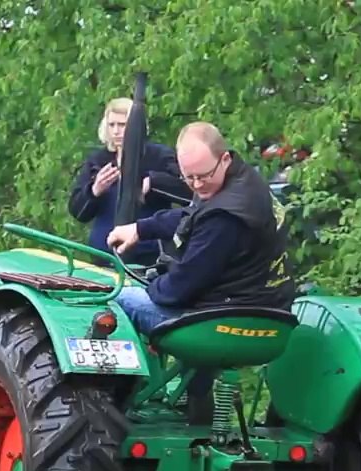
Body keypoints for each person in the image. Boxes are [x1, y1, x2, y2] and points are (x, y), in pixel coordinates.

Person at [106, 121, 294, 422]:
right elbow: (193, 216)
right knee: (196, 299)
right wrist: (141, 228)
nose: (196, 185)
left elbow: (179, 289)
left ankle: (113, 408)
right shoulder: (245, 183)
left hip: (222, 323)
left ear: (224, 159)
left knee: (119, 297)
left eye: (203, 176)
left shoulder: (224, 217)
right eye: (188, 177)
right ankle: (197, 406)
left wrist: (149, 284)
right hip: (271, 316)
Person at [68, 97, 192, 266]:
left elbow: (190, 192)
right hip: (104, 256)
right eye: (111, 125)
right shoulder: (98, 161)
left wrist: (154, 182)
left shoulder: (158, 156)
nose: (116, 131)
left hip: (148, 256)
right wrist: (94, 190)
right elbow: (78, 212)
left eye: (122, 125)